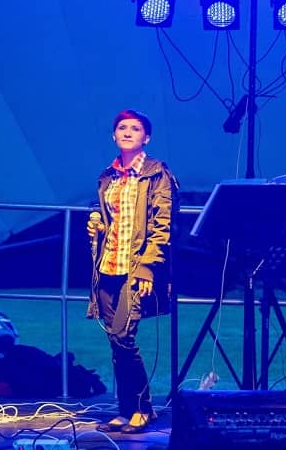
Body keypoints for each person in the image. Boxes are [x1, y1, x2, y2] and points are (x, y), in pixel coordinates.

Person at [86, 109, 179, 435]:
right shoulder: (108, 176)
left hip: (135, 268)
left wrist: (147, 268)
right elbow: (107, 215)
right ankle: (126, 410)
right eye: (122, 127)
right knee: (115, 340)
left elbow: (162, 227)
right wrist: (97, 222)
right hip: (108, 266)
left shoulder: (156, 174)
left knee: (123, 335)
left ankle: (143, 408)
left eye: (135, 128)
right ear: (114, 135)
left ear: (146, 138)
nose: (127, 132)